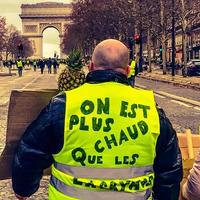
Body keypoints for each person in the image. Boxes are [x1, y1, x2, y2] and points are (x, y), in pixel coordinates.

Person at [12, 39, 182, 200]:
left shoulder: (64, 105)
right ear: (128, 71)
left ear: (91, 67)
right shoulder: (151, 109)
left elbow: (31, 151)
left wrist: (23, 189)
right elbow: (170, 170)